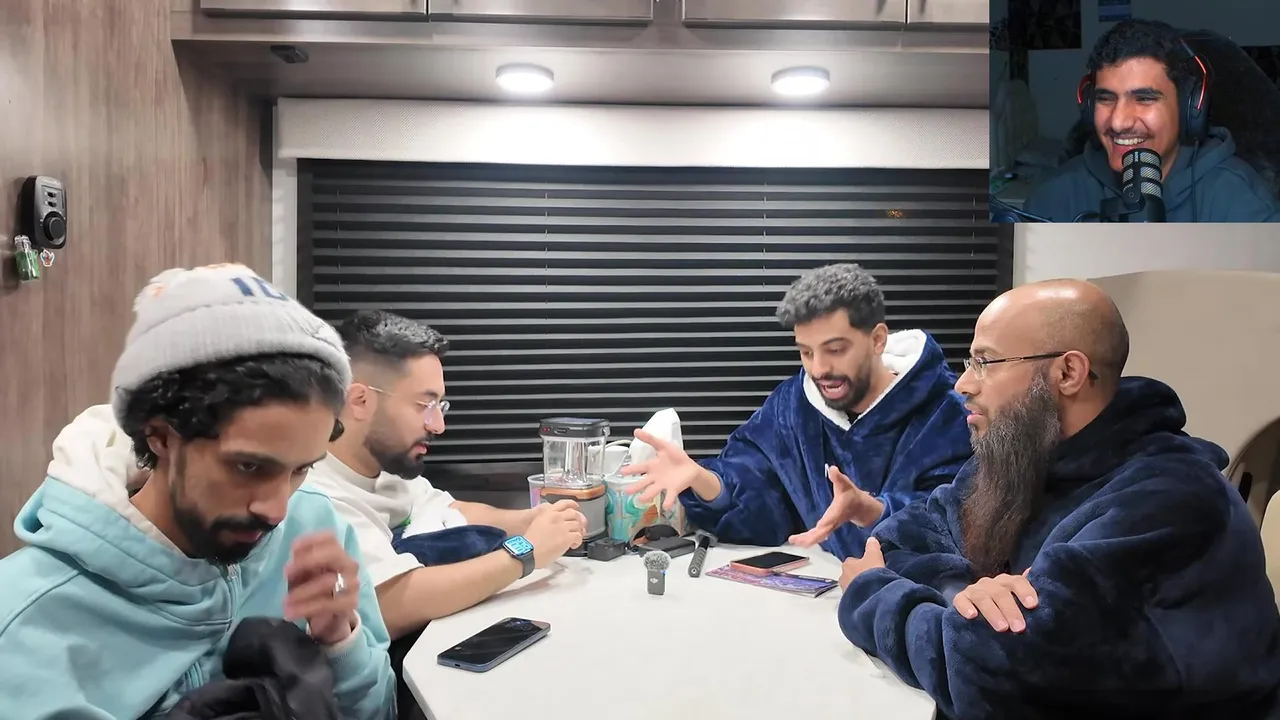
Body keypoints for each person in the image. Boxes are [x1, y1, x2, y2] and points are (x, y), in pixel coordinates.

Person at [837, 279, 1280, 719]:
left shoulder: (1170, 499)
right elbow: (899, 538)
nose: (963, 384)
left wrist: (873, 594)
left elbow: (993, 673)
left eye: (986, 362)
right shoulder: (1020, 456)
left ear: (1068, 373)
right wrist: (964, 593)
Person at [0, 264, 396, 719]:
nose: (277, 509)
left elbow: (379, 711)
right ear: (160, 436)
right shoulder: (25, 625)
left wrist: (340, 642)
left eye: (300, 469)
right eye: (248, 466)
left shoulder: (317, 532)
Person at [622, 263, 972, 560]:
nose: (819, 369)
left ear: (877, 339)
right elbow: (764, 498)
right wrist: (704, 480)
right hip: (819, 591)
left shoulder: (951, 415)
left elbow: (957, 524)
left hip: (911, 604)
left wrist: (871, 511)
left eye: (836, 350)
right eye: (806, 352)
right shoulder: (794, 406)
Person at [304, 310, 588, 641]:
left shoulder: (387, 468)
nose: (438, 425)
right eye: (424, 405)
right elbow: (389, 605)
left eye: (440, 406)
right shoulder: (316, 498)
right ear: (360, 401)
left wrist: (529, 520)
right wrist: (526, 552)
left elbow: (450, 511)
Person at [1024, 18, 1279, 222]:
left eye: (1144, 99)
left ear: (1189, 107)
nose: (1118, 122)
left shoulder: (1244, 204)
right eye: (1106, 98)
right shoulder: (1052, 198)